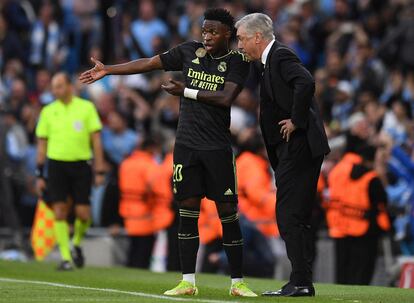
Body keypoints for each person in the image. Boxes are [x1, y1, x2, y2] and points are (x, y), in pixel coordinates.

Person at [80, 8, 256, 297]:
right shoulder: (189, 51)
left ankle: (238, 283)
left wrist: (185, 90)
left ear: (228, 34)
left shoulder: (238, 61)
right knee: (187, 212)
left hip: (217, 148)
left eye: (213, 31)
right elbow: (150, 63)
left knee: (228, 212)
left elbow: (225, 98)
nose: (207, 36)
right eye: (204, 30)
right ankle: (188, 281)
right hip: (186, 146)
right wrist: (109, 69)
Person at [236, 13, 330, 297]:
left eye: (241, 39)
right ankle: (301, 280)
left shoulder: (280, 56)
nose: (239, 45)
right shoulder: (267, 62)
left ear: (256, 37)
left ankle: (301, 281)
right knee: (294, 214)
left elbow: (306, 82)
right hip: (295, 148)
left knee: (289, 213)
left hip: (300, 145)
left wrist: (296, 121)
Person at [35, 72, 105, 270]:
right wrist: (39, 173)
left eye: (58, 86)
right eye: (53, 87)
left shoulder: (86, 108)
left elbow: (96, 141)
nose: (55, 90)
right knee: (59, 211)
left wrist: (99, 169)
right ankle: (66, 258)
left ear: (69, 87)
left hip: (81, 164)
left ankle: (75, 244)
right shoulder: (48, 111)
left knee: (83, 214)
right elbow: (42, 143)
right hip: (56, 164)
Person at [327, 145, 390, 285]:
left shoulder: (340, 171)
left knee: (344, 270)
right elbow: (382, 201)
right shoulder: (371, 178)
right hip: (367, 228)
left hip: (342, 225)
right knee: (363, 270)